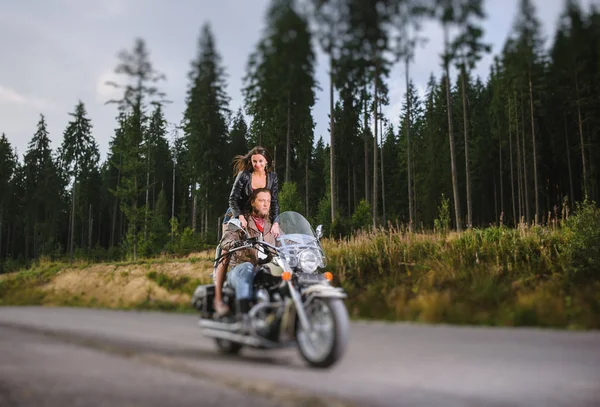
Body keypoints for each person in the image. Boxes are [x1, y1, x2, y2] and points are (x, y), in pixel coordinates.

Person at [214, 146, 280, 315]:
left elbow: (274, 203)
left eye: (261, 161)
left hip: (259, 213)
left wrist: (276, 222)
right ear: (251, 161)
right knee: (227, 251)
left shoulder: (272, 177)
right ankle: (218, 297)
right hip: (236, 213)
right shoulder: (244, 176)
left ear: (267, 162)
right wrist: (239, 216)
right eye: (254, 161)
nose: (257, 164)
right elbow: (232, 199)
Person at [218, 187, 277, 326]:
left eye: (268, 201)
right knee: (247, 268)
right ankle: (244, 317)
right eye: (261, 200)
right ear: (252, 202)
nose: (266, 204)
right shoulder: (240, 221)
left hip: (264, 268)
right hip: (239, 269)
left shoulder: (272, 225)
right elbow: (224, 242)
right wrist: (238, 242)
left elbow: (285, 240)